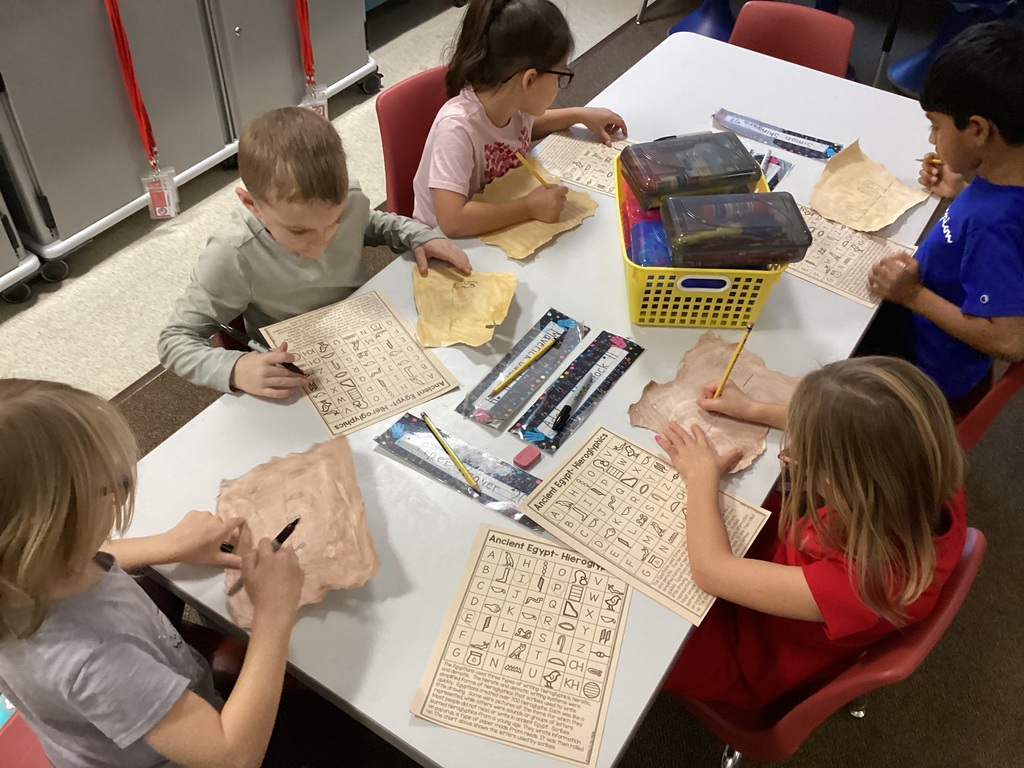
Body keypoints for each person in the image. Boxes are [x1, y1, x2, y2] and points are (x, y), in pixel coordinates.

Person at [0, 379, 304, 768]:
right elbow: (233, 755)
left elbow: (94, 553)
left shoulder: (28, 572)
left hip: (108, 728)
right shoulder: (95, 660)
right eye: (112, 486)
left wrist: (169, 544)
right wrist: (273, 614)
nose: (127, 487)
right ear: (49, 530)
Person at [655, 357, 966, 709]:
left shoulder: (861, 585)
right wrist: (752, 408)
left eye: (797, 454)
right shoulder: (928, 471)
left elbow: (710, 571)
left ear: (838, 483)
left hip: (753, 652)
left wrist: (701, 476)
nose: (788, 458)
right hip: (792, 561)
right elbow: (855, 431)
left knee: (647, 636)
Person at [159, 107, 471, 399]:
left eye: (334, 223)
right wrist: (236, 368)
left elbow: (370, 223)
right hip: (299, 372)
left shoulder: (349, 201)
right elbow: (175, 340)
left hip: (366, 340)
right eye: (298, 231)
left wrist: (415, 235)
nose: (320, 242)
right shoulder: (234, 253)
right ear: (252, 205)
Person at [867, 21, 1024, 414]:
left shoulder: (996, 223)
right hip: (916, 325)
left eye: (936, 126)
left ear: (977, 129)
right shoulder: (1004, 179)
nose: (931, 140)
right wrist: (962, 181)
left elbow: (1010, 341)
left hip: (921, 369)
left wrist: (912, 296)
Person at [411, 0, 628, 236]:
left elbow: (521, 131)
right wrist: (528, 208)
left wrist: (579, 115)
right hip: (440, 242)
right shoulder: (456, 128)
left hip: (492, 216)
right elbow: (452, 221)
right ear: (529, 80)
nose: (560, 85)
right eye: (560, 76)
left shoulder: (511, 101)